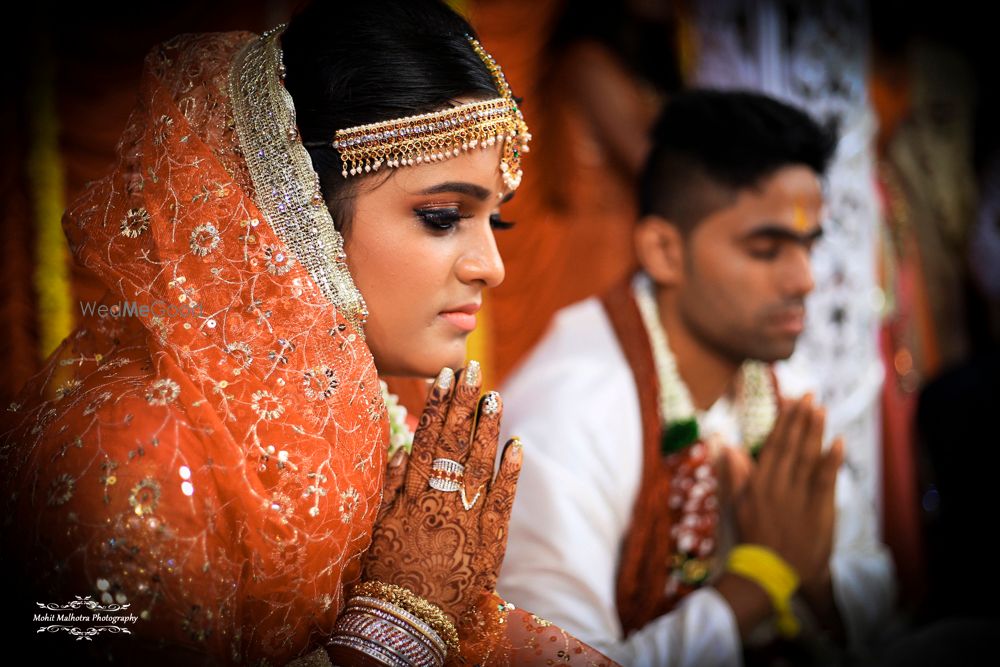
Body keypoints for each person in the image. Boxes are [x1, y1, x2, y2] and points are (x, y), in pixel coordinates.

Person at [0, 2, 617, 665]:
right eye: (442, 216)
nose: (490, 268)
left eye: (496, 223)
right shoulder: (136, 449)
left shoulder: (363, 432)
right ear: (296, 210)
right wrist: (396, 626)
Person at [497, 90, 896, 666]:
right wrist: (759, 579)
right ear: (663, 250)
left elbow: (874, 581)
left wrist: (815, 580)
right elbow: (560, 658)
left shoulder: (779, 384)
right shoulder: (566, 416)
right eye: (766, 249)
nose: (805, 279)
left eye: (810, 246)